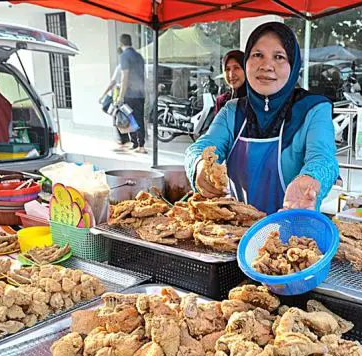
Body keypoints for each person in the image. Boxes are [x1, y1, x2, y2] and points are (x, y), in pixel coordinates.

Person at [185, 22, 338, 214]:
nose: (266, 66)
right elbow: (200, 147)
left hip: (294, 229)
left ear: (293, 65)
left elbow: (324, 159)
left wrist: (310, 180)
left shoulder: (313, 109)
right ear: (247, 61)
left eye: (279, 57)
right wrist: (199, 166)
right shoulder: (232, 111)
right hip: (238, 229)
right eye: (258, 55)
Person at [115, 34, 147, 153]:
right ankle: (140, 145)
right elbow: (143, 76)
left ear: (121, 44)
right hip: (140, 94)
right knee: (139, 119)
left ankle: (135, 144)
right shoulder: (139, 56)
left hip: (129, 94)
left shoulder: (124, 56)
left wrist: (121, 96)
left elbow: (125, 76)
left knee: (129, 119)